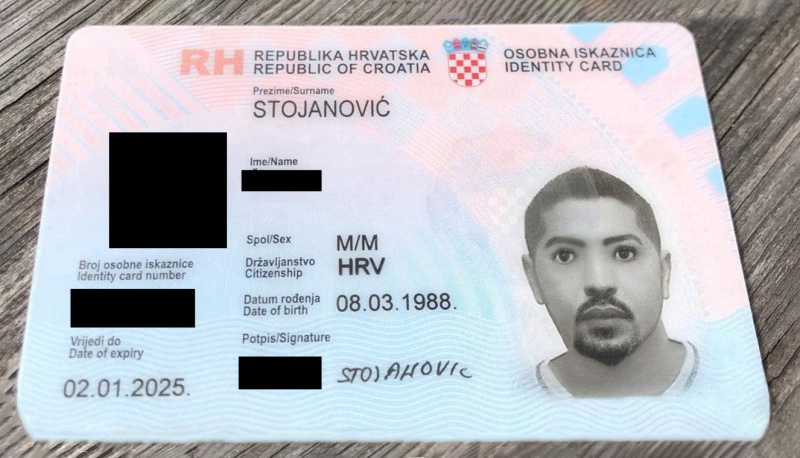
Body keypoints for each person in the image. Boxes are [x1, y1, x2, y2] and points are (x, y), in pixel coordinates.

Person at [522, 167, 698, 397]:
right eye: (565, 256)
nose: (599, 282)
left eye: (624, 253)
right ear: (534, 280)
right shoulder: (505, 401)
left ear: (664, 272)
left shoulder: (731, 376)